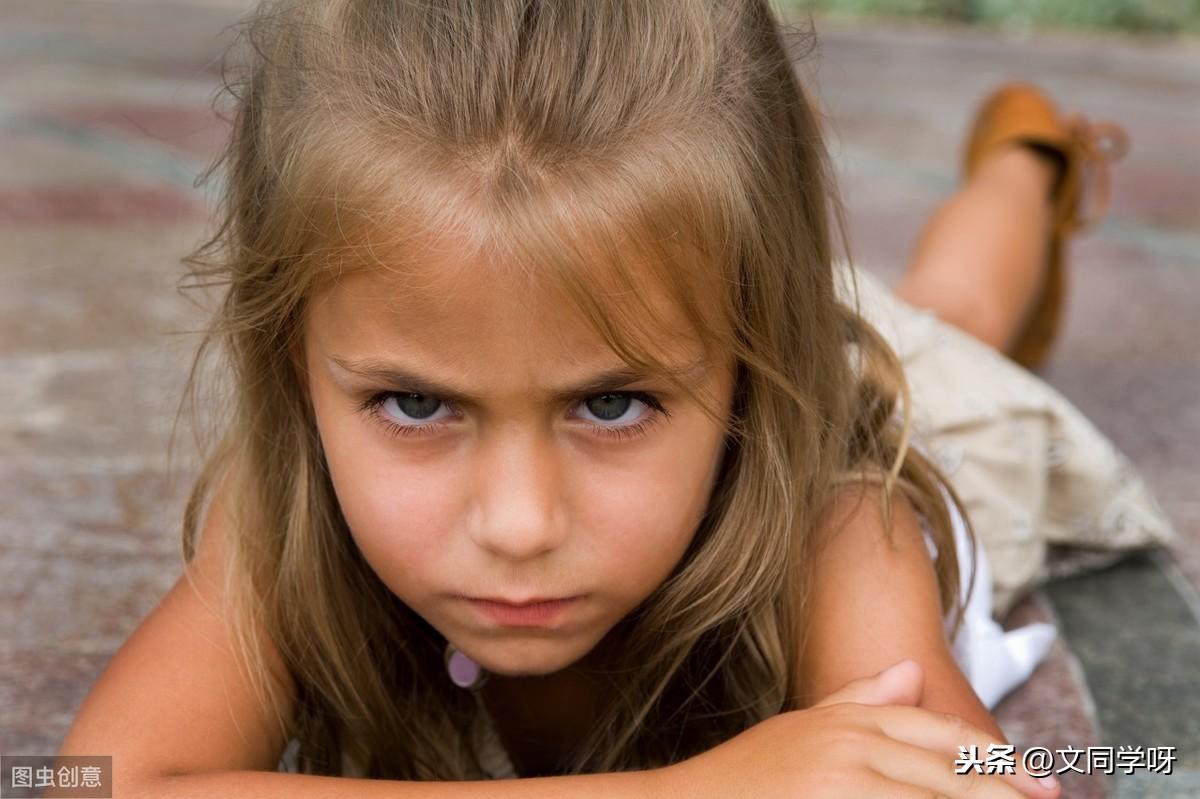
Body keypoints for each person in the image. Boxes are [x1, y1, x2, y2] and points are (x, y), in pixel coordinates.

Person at [57, 2, 1177, 797]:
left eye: (608, 408)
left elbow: (963, 775)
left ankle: (1031, 157)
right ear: (290, 358)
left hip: (883, 396)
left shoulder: (842, 522)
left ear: (752, 369)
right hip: (670, 307)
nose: (519, 525)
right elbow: (98, 783)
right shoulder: (291, 520)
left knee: (958, 309)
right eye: (412, 404)